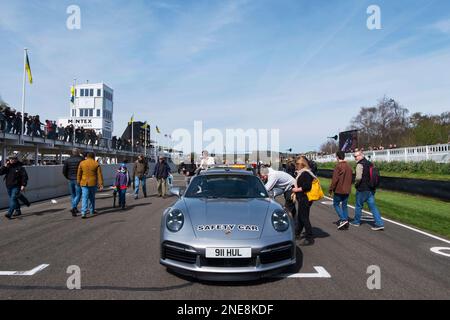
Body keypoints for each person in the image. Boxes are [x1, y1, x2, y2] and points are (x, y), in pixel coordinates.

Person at [351, 151, 384, 230]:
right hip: (371, 188)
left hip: (362, 188)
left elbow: (358, 177)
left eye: (356, 156)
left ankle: (356, 221)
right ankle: (379, 223)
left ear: (361, 156)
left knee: (359, 206)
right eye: (354, 156)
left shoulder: (360, 164)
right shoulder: (370, 163)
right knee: (373, 207)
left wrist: (355, 184)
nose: (355, 158)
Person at [291, 157, 315, 245]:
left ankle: (310, 238)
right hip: (301, 198)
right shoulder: (301, 173)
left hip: (305, 198)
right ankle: (297, 233)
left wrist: (296, 190)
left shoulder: (306, 173)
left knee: (304, 218)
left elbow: (307, 186)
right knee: (300, 217)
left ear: (302, 164)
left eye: (297, 164)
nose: (296, 166)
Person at [329, 151, 353, 230]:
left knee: (336, 204)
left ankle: (343, 219)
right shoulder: (349, 166)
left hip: (339, 189)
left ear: (337, 157)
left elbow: (335, 180)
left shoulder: (338, 166)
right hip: (347, 189)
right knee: (344, 206)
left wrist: (331, 189)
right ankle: (345, 220)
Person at [77, 152, 104, 219]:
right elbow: (99, 175)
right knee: (92, 197)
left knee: (84, 198)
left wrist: (78, 181)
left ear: (87, 156)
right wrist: (101, 184)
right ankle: (92, 210)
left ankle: (83, 212)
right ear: (93, 157)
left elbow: (79, 174)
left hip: (84, 183)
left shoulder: (82, 163)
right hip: (93, 183)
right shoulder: (96, 164)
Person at [63, 148, 83, 217]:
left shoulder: (67, 160)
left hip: (70, 179)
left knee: (73, 195)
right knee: (79, 194)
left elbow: (64, 171)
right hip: (78, 179)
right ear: (78, 152)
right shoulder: (81, 159)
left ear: (72, 152)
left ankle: (75, 208)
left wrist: (67, 177)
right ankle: (74, 207)